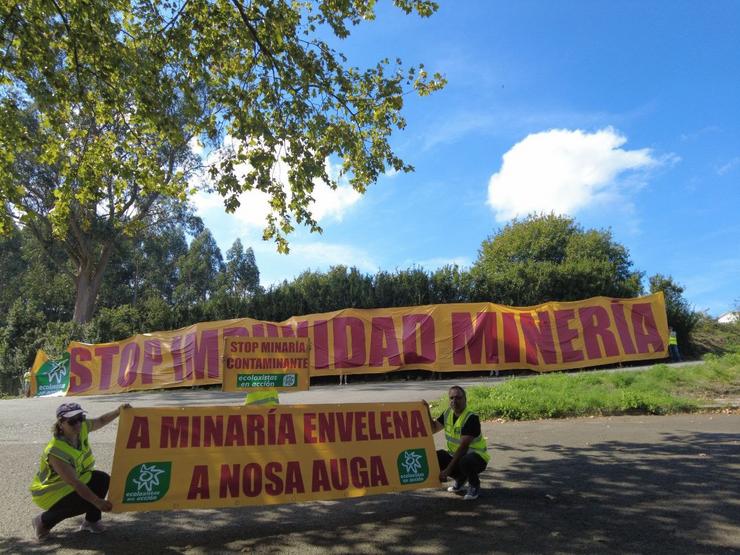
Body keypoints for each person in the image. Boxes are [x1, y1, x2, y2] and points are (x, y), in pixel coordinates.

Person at [29, 402, 131, 541]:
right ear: (61, 423)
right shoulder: (55, 451)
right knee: (84, 501)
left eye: (80, 418)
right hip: (50, 492)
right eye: (72, 421)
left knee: (102, 479)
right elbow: (75, 483)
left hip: (72, 483)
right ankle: (42, 521)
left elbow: (101, 420)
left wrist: (118, 411)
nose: (78, 424)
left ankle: (91, 521)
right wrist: (97, 502)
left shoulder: (82, 428)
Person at [423, 385, 490, 500]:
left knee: (465, 461)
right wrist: (426, 411)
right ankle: (460, 478)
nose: (454, 401)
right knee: (437, 456)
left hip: (477, 459)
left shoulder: (471, 418)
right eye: (451, 398)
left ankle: (474, 485)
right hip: (457, 457)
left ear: (465, 399)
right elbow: (433, 429)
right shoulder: (448, 413)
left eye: (458, 398)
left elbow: (463, 448)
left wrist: (447, 470)